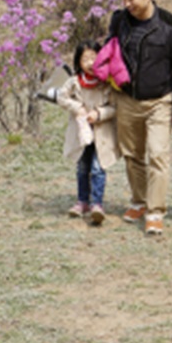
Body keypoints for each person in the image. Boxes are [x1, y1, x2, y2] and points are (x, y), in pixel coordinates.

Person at [108, 0, 172, 236]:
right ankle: (139, 201)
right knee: (133, 155)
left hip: (160, 100)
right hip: (127, 99)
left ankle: (156, 211)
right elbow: (111, 53)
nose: (126, 3)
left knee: (157, 154)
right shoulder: (119, 20)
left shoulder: (169, 25)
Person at [56, 40, 121, 225]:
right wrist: (78, 108)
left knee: (98, 168)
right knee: (83, 167)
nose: (90, 63)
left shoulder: (107, 83)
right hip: (81, 134)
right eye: (85, 59)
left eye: (94, 58)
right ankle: (82, 201)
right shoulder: (74, 82)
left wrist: (99, 113)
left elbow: (115, 107)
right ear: (78, 62)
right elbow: (61, 97)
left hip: (102, 134)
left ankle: (97, 204)